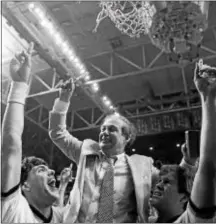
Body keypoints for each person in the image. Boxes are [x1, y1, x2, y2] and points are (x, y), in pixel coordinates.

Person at [49, 81, 196, 222]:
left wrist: (188, 160)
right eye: (103, 129)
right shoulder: (86, 151)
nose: (104, 132)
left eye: (112, 129)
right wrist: (63, 99)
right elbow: (57, 133)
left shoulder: (142, 166)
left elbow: (174, 181)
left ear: (126, 137)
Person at [149, 60, 216, 222]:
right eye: (161, 181)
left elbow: (210, 168)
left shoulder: (192, 220)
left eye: (166, 182)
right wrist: (188, 161)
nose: (158, 185)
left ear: (185, 199)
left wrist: (209, 97)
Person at [1, 44, 63, 223]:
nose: (52, 171)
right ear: (24, 185)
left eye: (48, 169)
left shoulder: (64, 216)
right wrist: (19, 86)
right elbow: (11, 143)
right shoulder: (12, 209)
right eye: (41, 170)